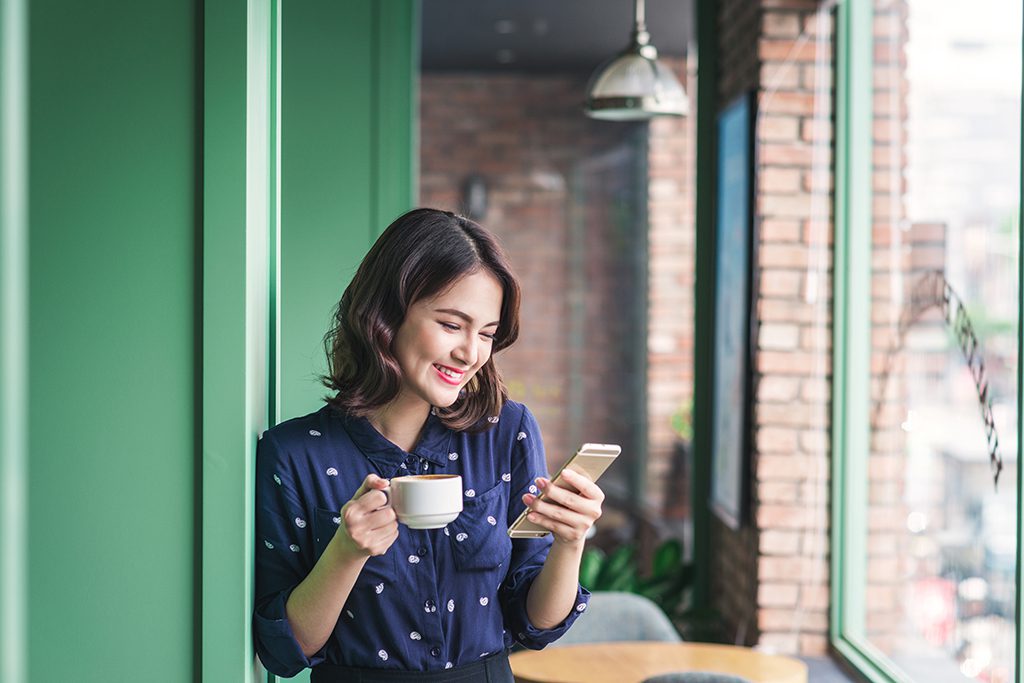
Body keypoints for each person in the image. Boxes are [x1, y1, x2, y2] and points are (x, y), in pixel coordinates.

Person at [253, 208, 605, 682]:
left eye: (486, 333)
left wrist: (569, 541)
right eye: (451, 324)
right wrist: (345, 552)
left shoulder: (507, 430)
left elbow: (536, 622)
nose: (470, 353)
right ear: (385, 315)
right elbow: (286, 650)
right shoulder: (294, 454)